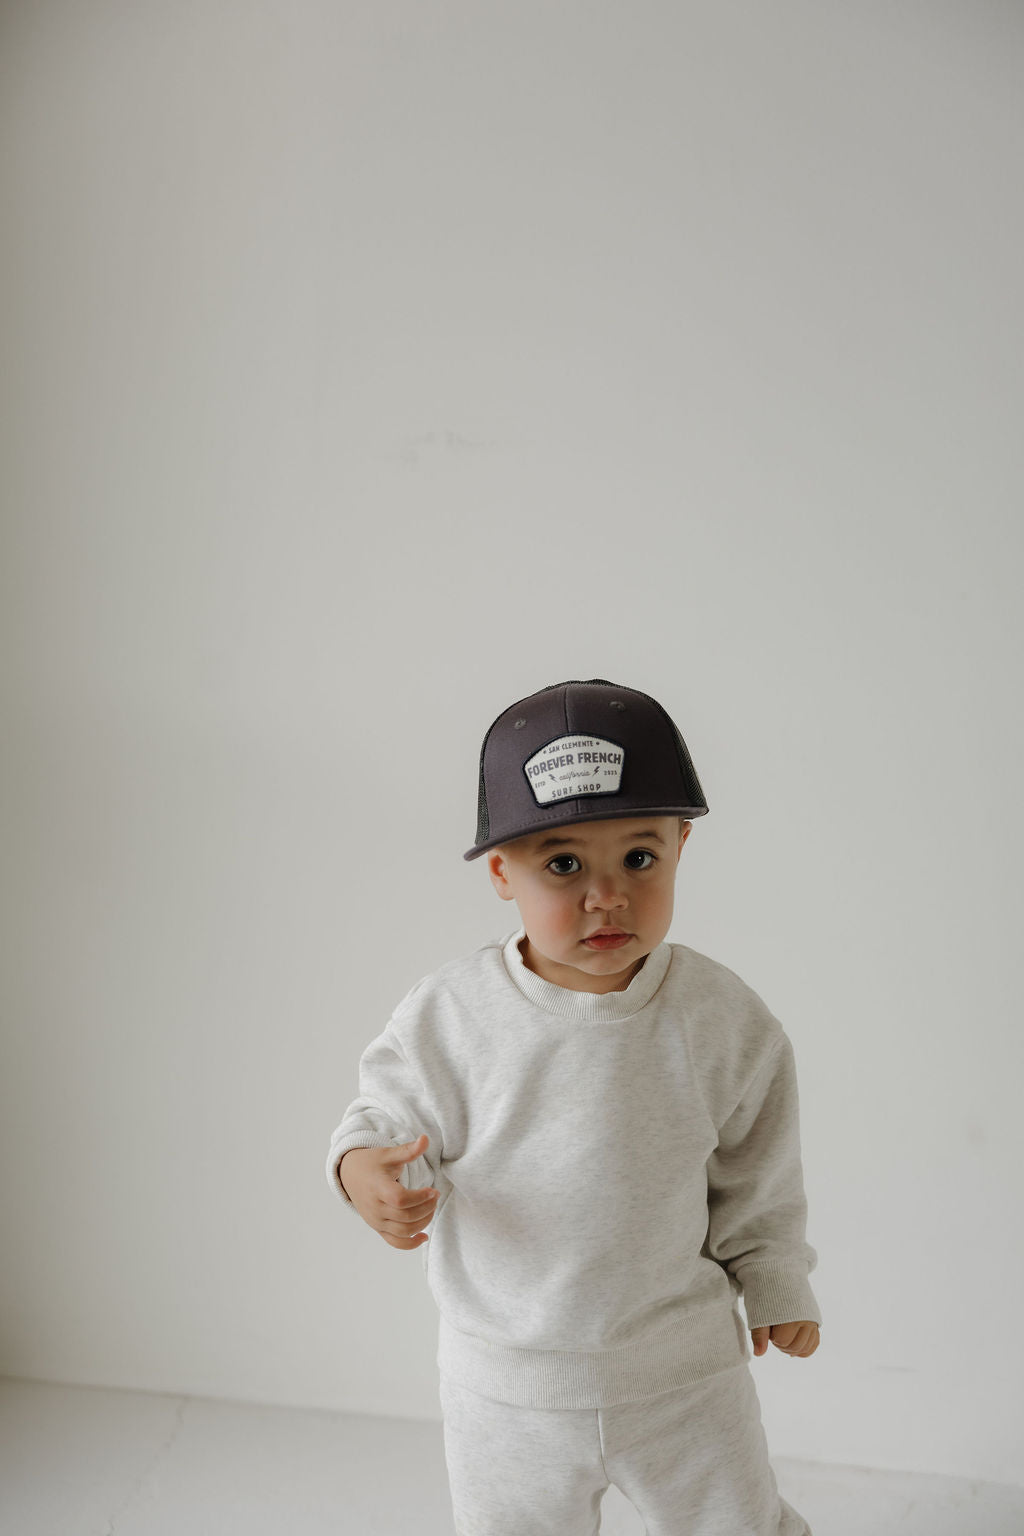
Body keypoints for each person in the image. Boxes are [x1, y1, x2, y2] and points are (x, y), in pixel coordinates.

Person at [326, 678, 822, 1535]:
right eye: (563, 865)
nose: (608, 895)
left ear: (681, 846)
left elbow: (758, 1170)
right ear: (501, 872)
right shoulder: (452, 1015)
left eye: (640, 858)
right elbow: (383, 1119)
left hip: (683, 1375)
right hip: (505, 1387)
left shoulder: (723, 1017)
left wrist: (775, 1277)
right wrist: (363, 1170)